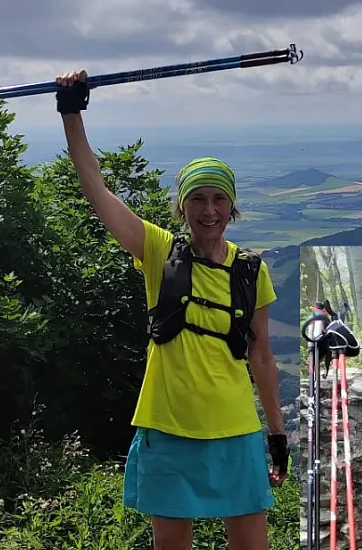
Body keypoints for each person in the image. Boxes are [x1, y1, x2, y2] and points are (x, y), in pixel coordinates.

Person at [54, 70, 289, 550]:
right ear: (182, 208)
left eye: (219, 198)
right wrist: (71, 113)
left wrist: (278, 434)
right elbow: (97, 193)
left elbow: (262, 358)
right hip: (169, 425)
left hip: (236, 429)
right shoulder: (160, 252)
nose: (209, 210)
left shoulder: (251, 270)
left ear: (232, 207)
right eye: (197, 199)